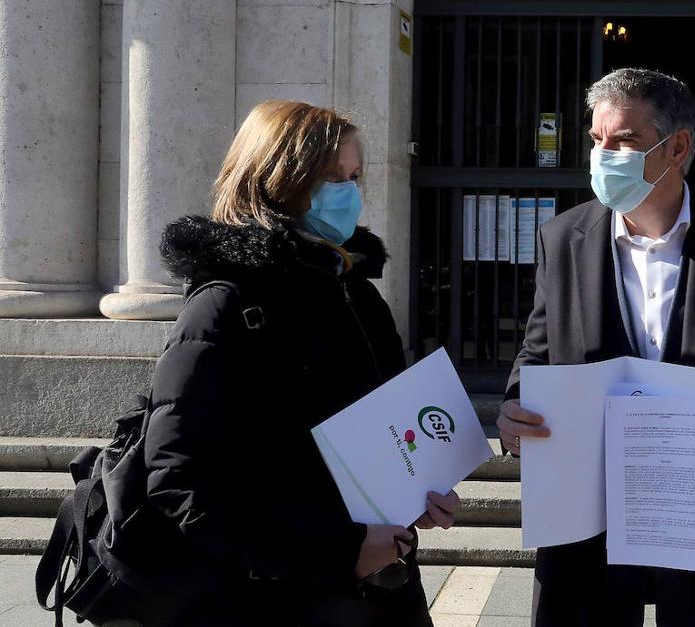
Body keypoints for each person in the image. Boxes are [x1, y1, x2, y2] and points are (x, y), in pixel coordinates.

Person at [496, 68, 695, 626]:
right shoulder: (562, 237)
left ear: (678, 148)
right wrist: (514, 408)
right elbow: (538, 351)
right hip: (586, 518)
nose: (603, 154)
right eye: (597, 139)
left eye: (625, 140)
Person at [144, 100, 459, 626]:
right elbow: (180, 481)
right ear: (276, 179)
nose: (349, 192)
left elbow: (382, 434)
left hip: (383, 589)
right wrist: (340, 551)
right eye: (330, 176)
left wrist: (414, 493)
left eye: (355, 176)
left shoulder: (356, 292)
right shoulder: (226, 304)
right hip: (275, 600)